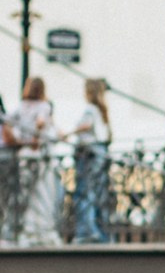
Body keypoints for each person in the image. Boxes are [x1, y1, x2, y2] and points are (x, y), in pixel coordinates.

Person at [9, 76, 63, 247]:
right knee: (43, 193)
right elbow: (40, 123)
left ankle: (25, 230)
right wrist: (35, 139)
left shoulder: (20, 106)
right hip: (38, 154)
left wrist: (17, 141)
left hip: (24, 154)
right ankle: (41, 231)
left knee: (25, 193)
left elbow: (7, 123)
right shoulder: (44, 107)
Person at [69, 76, 113, 244]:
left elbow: (86, 125)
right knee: (98, 192)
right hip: (99, 153)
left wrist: (69, 133)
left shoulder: (90, 109)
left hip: (88, 154)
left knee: (84, 192)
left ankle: (87, 231)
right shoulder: (102, 110)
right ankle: (102, 232)